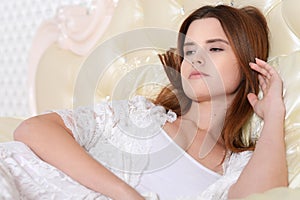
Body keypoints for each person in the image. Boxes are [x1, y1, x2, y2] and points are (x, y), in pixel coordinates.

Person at [0, 4, 287, 200]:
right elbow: (32, 129)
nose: (196, 58)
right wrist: (129, 196)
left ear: (249, 62)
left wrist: (274, 116)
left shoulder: (239, 166)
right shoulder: (138, 115)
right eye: (189, 50)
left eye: (214, 48)